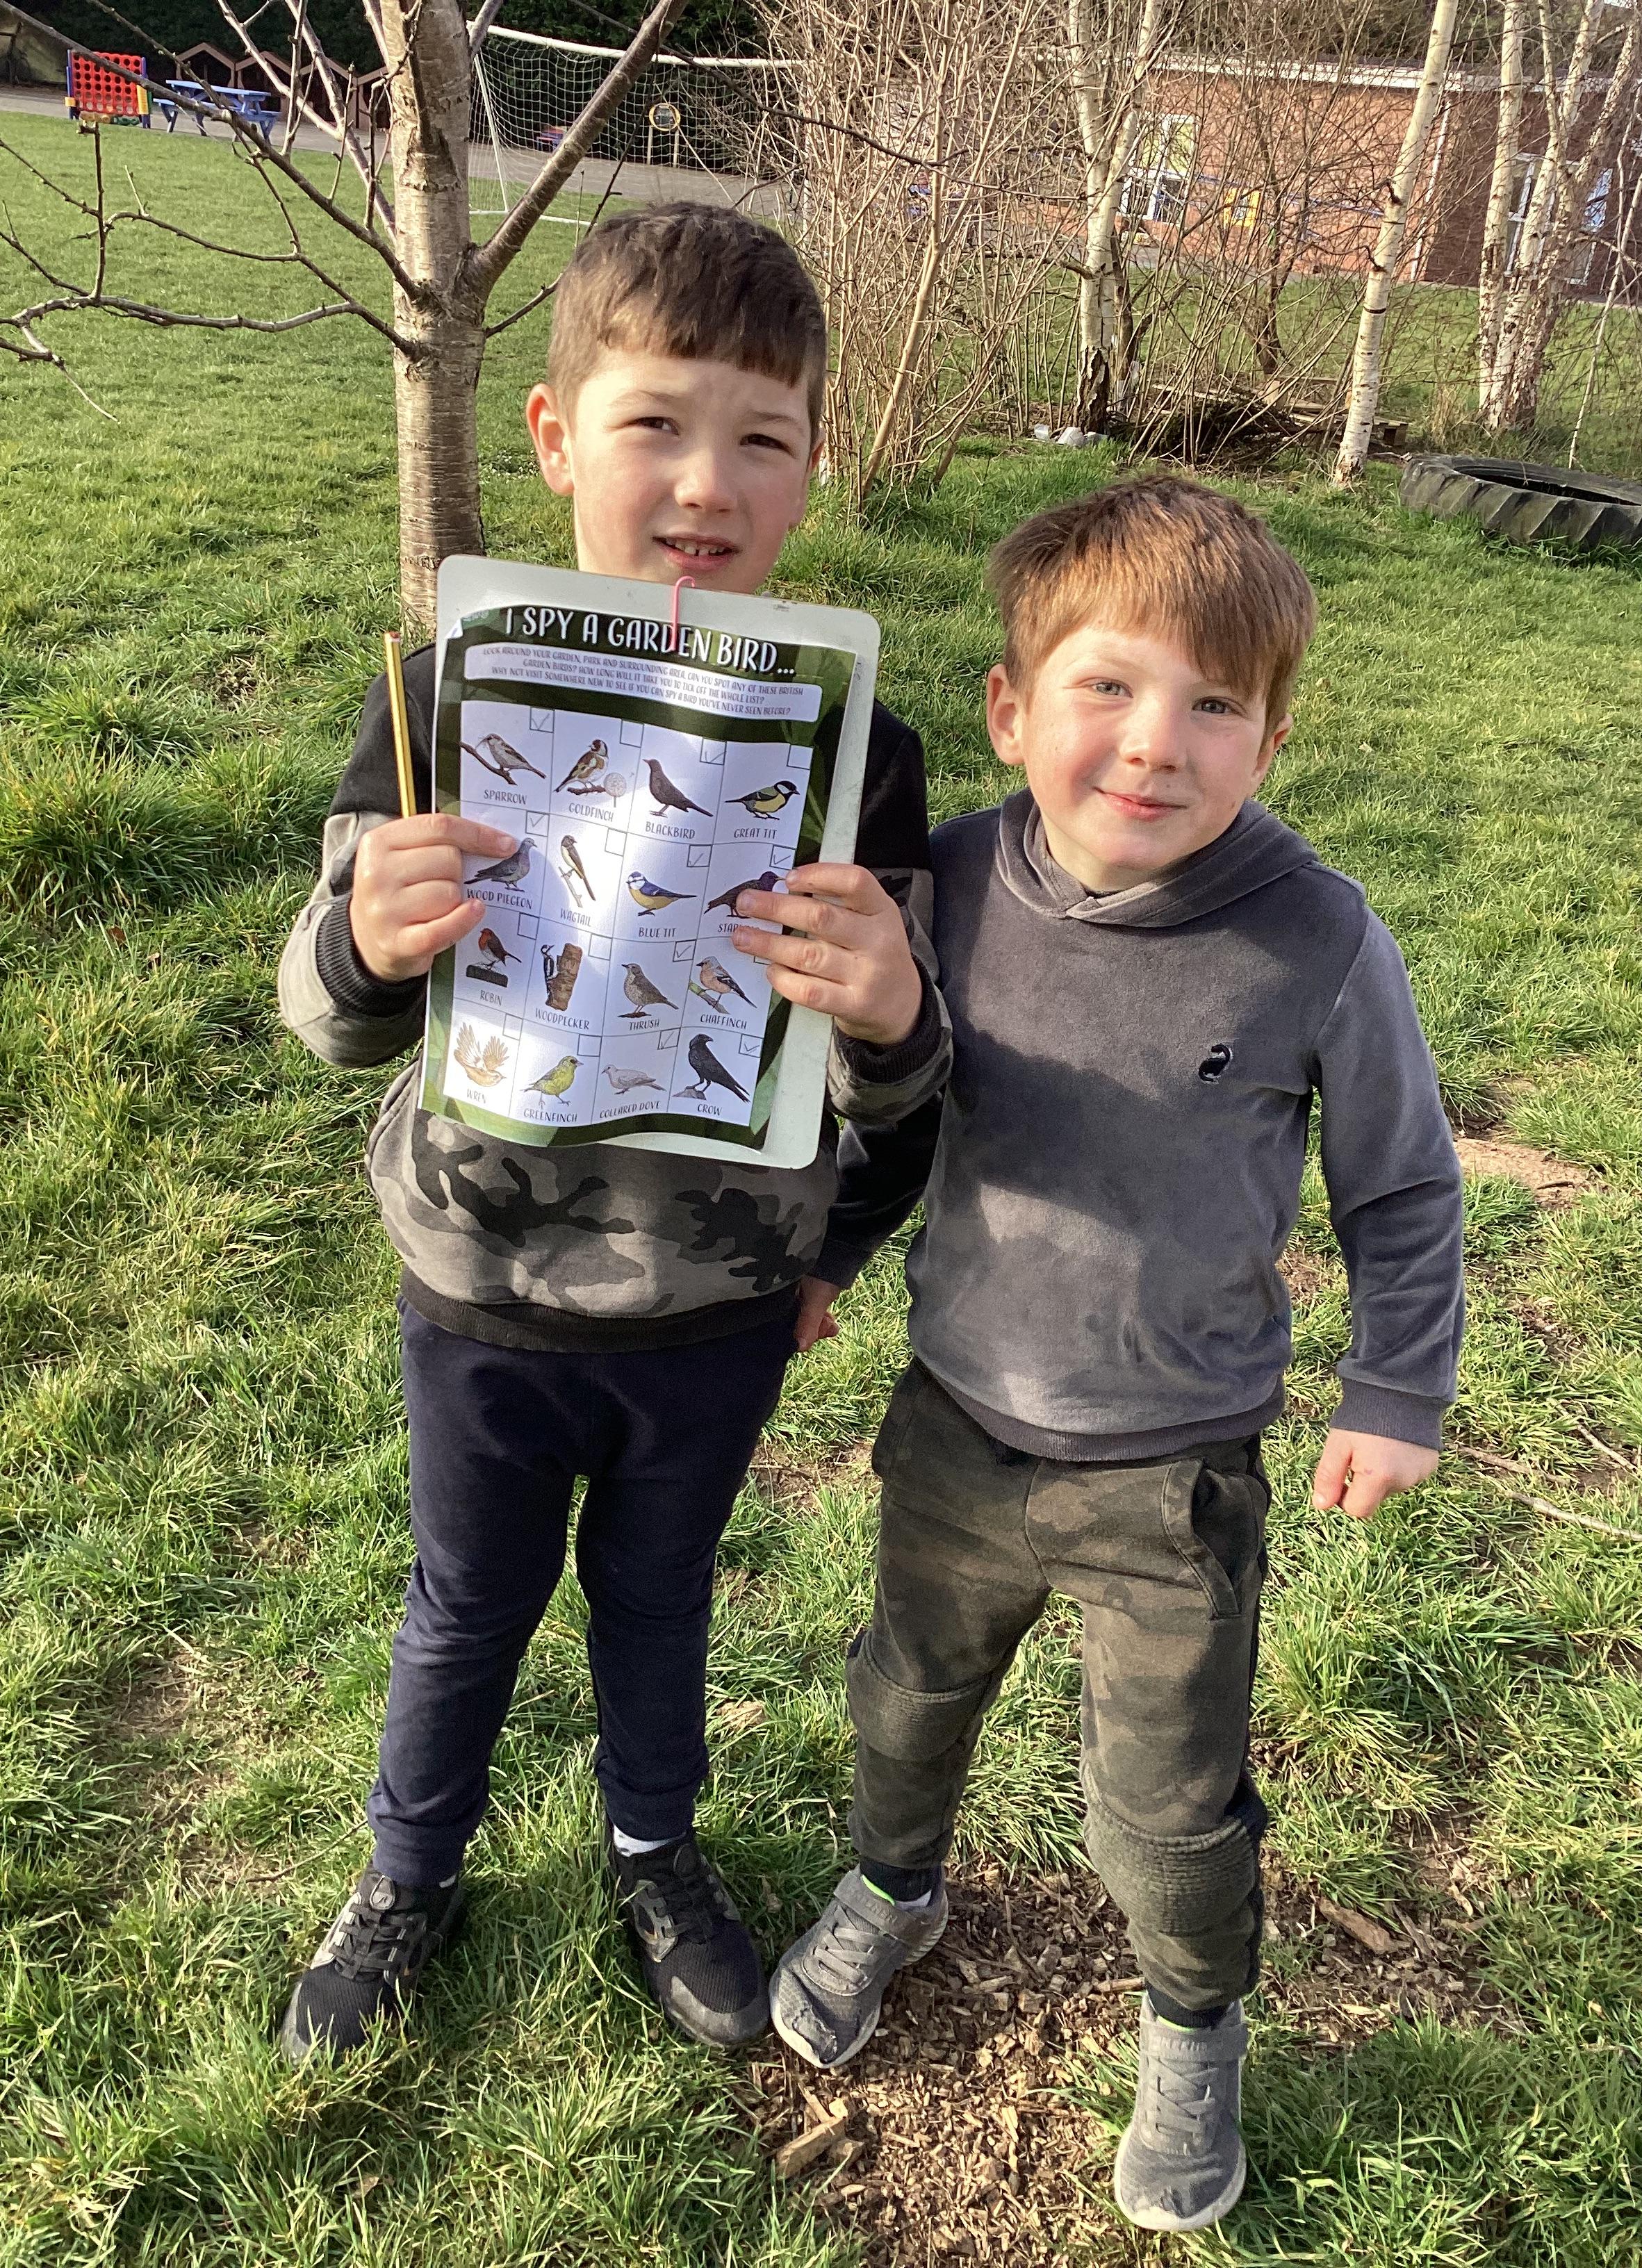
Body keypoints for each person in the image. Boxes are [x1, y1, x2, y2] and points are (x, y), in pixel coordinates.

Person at [750, 477, 1465, 2232]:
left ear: (1272, 740)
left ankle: (1193, 2019)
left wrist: (1396, 1389)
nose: (1156, 744)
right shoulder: (950, 887)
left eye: (1215, 704)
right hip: (957, 1420)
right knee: (904, 1694)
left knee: (1164, 1797)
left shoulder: (1318, 938)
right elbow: (895, 1107)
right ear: (1012, 709)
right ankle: (895, 1885)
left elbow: (1401, 1181)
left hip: (1174, 1468)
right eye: (1109, 687)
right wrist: (830, 1252)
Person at [274, 204, 949, 2062]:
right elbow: (329, 1021)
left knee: (659, 1601)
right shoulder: (443, 701)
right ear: (558, 435)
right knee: (464, 1604)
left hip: (714, 1307)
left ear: (815, 463)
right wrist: (366, 940)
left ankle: (656, 1856)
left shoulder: (862, 754)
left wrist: (884, 1039)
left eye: (764, 436)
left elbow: (903, 1088)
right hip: (479, 1287)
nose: (707, 482)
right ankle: (408, 1873)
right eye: (655, 423)